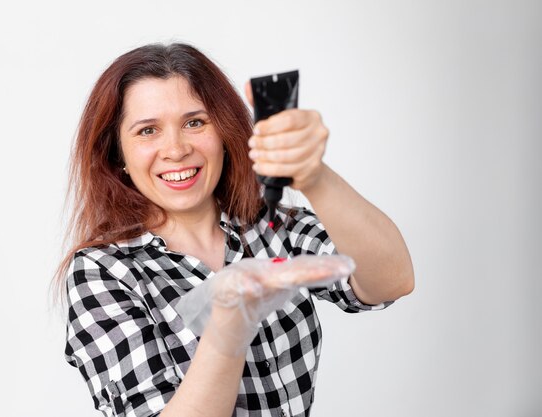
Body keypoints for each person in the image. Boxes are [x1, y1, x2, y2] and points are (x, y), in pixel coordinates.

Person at [54, 42, 414, 417]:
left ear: (224, 133)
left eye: (195, 122)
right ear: (118, 155)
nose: (175, 150)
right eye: (148, 131)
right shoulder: (103, 271)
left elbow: (392, 281)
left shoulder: (270, 227)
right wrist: (229, 321)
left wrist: (313, 175)